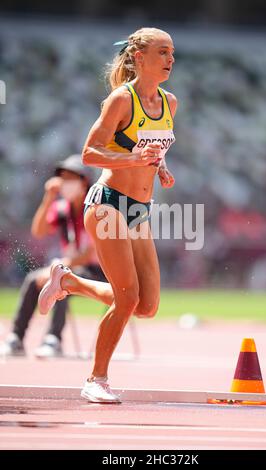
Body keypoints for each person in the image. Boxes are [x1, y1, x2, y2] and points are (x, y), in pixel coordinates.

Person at [38, 27, 177, 402]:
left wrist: (159, 169)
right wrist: (134, 159)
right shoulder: (121, 100)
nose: (170, 59)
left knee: (146, 306)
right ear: (139, 58)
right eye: (162, 52)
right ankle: (95, 379)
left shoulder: (169, 103)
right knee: (127, 298)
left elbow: (152, 147)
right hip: (107, 203)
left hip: (140, 210)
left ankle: (69, 283)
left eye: (172, 53)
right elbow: (89, 153)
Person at [3, 154, 105, 358]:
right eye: (62, 177)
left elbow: (90, 253)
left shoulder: (97, 209)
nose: (64, 183)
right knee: (33, 280)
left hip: (99, 272)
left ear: (84, 181)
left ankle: (53, 339)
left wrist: (59, 268)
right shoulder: (62, 210)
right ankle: (16, 337)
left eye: (69, 178)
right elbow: (39, 231)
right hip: (71, 268)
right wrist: (48, 197)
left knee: (61, 280)